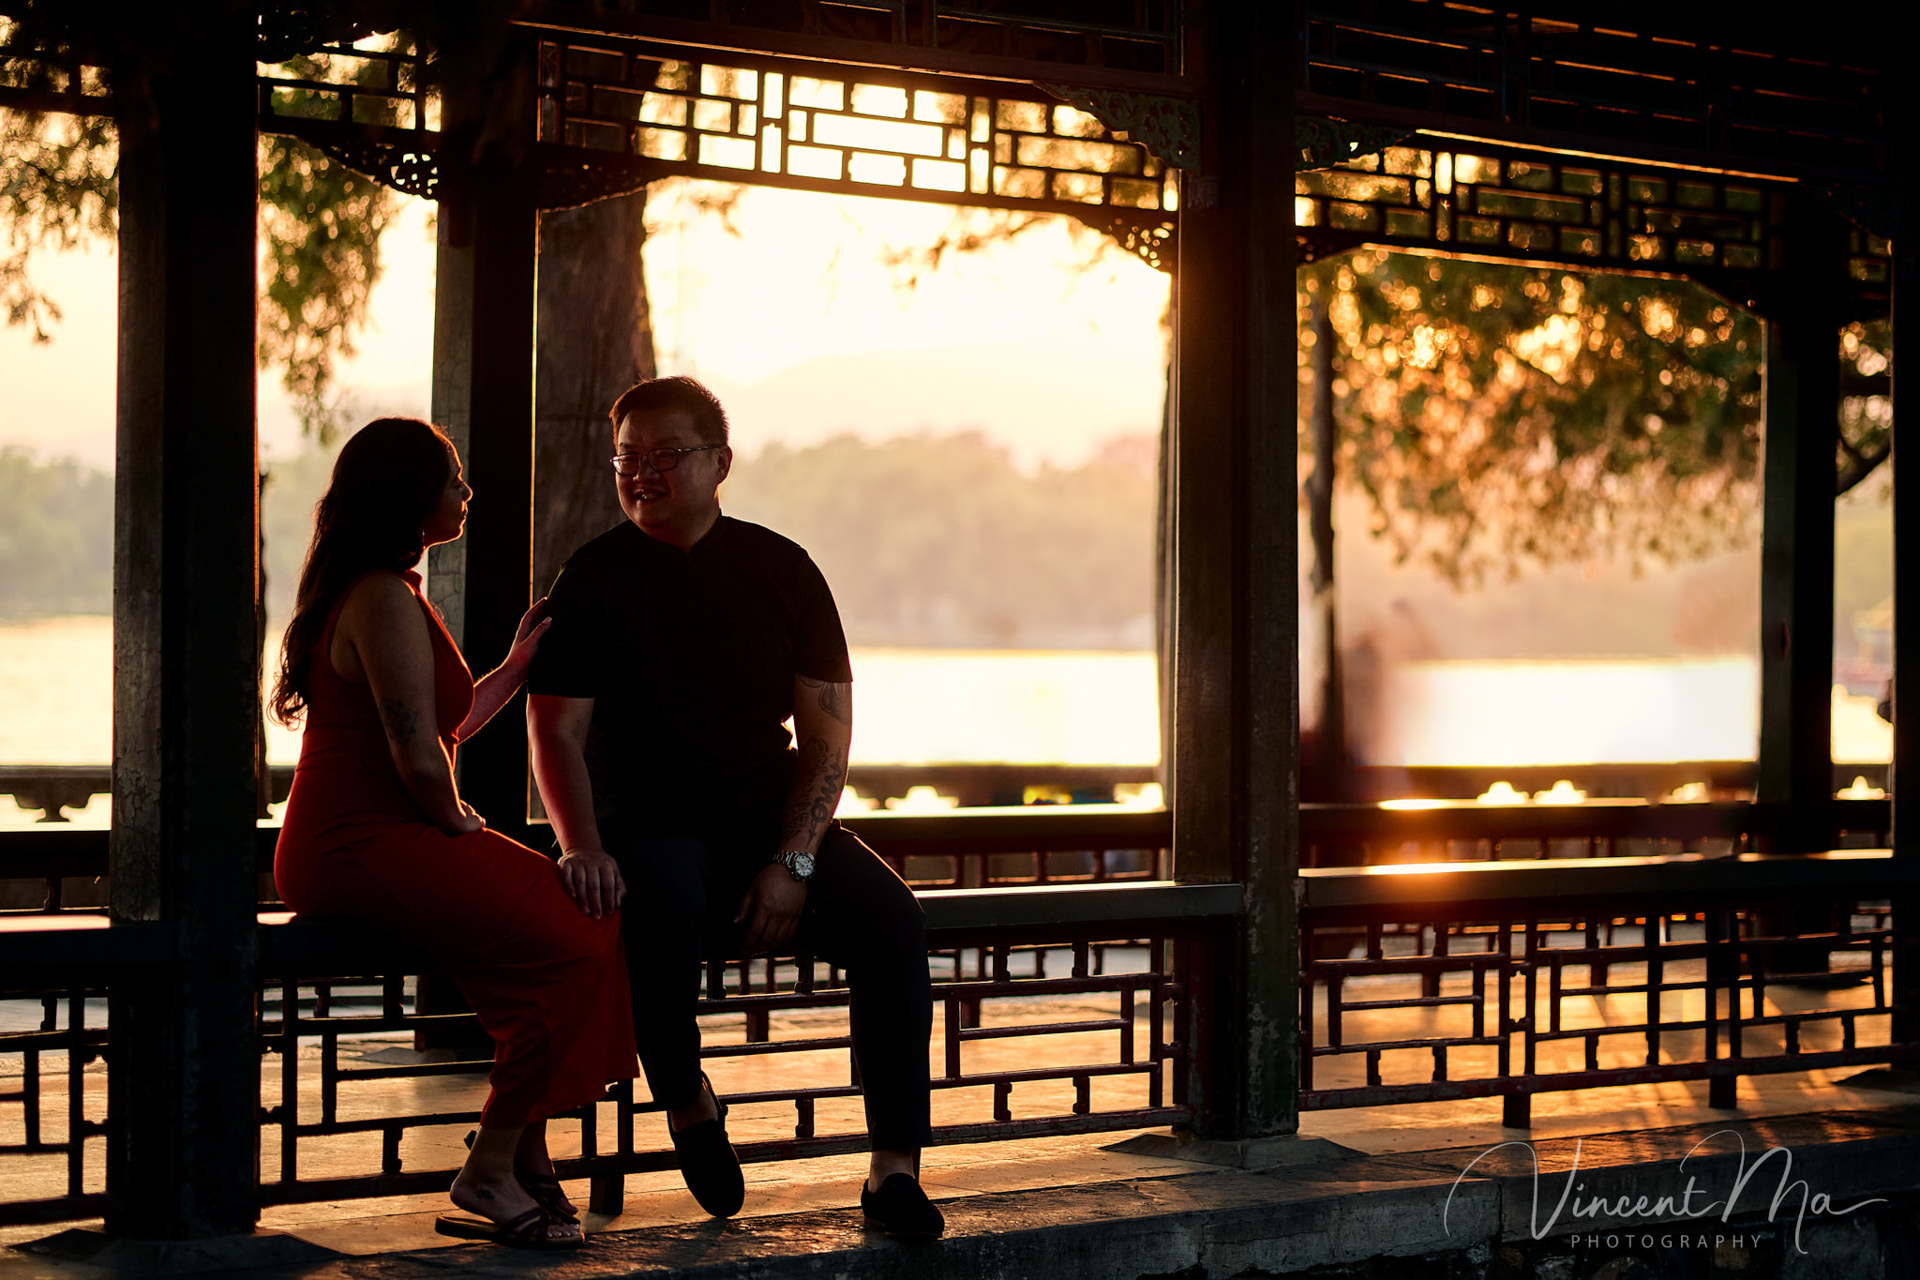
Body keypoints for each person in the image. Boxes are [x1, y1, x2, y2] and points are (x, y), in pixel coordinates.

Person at [527, 376, 943, 1239]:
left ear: (720, 463)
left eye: (664, 456)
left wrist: (794, 863)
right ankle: (686, 1101)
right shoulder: (594, 579)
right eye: (627, 459)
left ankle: (893, 1171)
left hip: (767, 811)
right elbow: (555, 736)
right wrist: (580, 845)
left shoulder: (782, 570)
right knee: (662, 897)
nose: (642, 474)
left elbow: (827, 741)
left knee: (893, 919)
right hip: (646, 821)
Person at [272, 417, 636, 1250]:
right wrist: (455, 821)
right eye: (453, 480)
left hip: (379, 836)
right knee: (578, 931)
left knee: (562, 940)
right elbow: (415, 754)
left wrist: (514, 664)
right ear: (409, 495)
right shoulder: (379, 596)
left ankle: (523, 1157)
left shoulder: (390, 593)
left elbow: (449, 722)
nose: (467, 493)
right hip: (358, 841)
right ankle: (490, 1168)